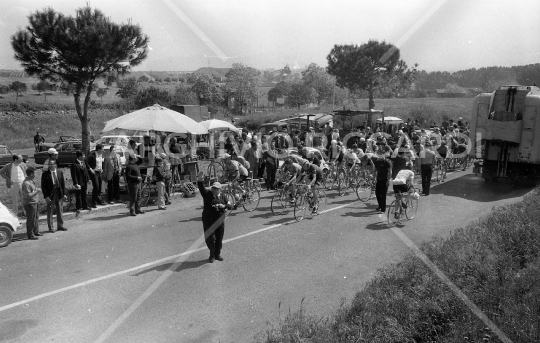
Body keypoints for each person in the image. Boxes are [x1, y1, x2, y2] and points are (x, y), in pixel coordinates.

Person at [197, 172, 231, 263]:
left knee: (219, 238)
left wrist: (223, 206)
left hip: (219, 219)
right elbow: (201, 188)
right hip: (208, 219)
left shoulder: (223, 196)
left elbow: (230, 206)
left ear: (220, 189)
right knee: (210, 238)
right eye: (213, 188)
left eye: (216, 189)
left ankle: (217, 254)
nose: (214, 190)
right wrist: (200, 180)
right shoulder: (207, 194)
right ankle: (211, 255)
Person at [41, 160, 68, 232]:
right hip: (50, 195)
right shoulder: (45, 174)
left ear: (55, 165)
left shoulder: (60, 172)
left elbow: (63, 184)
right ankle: (51, 227)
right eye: (49, 164)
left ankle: (60, 225)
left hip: (58, 193)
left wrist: (64, 194)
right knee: (50, 211)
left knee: (60, 210)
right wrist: (46, 196)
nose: (50, 165)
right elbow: (43, 187)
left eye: (51, 164)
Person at [21, 167, 41, 239]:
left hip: (34, 202)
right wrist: (37, 191)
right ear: (31, 174)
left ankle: (36, 231)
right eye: (35, 173)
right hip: (30, 204)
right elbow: (28, 195)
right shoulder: (26, 183)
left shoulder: (31, 181)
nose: (36, 175)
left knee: (36, 218)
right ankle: (30, 234)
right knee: (31, 219)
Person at [373, 146, 392, 213]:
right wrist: (373, 178)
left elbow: (390, 172)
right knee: (377, 193)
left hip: (385, 179)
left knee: (383, 194)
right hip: (378, 179)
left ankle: (383, 209)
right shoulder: (377, 162)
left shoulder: (387, 162)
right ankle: (380, 206)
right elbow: (375, 170)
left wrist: (388, 180)